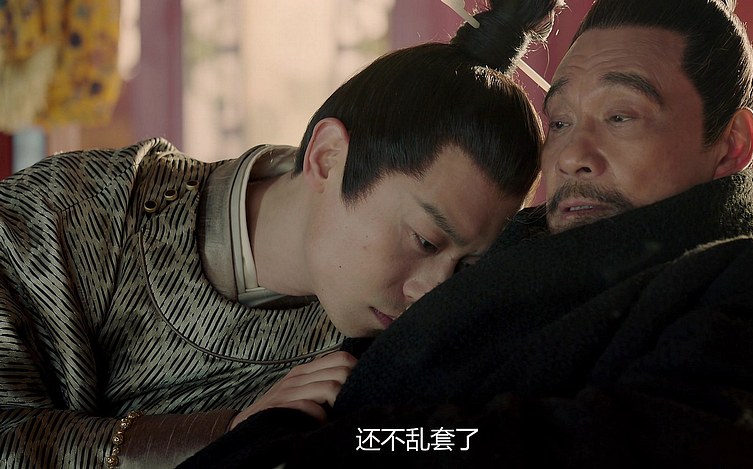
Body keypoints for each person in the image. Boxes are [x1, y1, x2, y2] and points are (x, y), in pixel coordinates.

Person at [178, 0, 753, 467]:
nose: (571, 155)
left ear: (731, 143)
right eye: (560, 122)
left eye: (620, 115)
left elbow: (585, 448)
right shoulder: (493, 254)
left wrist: (346, 439)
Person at [0, 0, 562, 467]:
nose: (429, 294)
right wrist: (236, 433)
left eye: (465, 268)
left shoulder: (383, 356)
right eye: (425, 241)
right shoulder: (77, 208)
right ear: (327, 157)